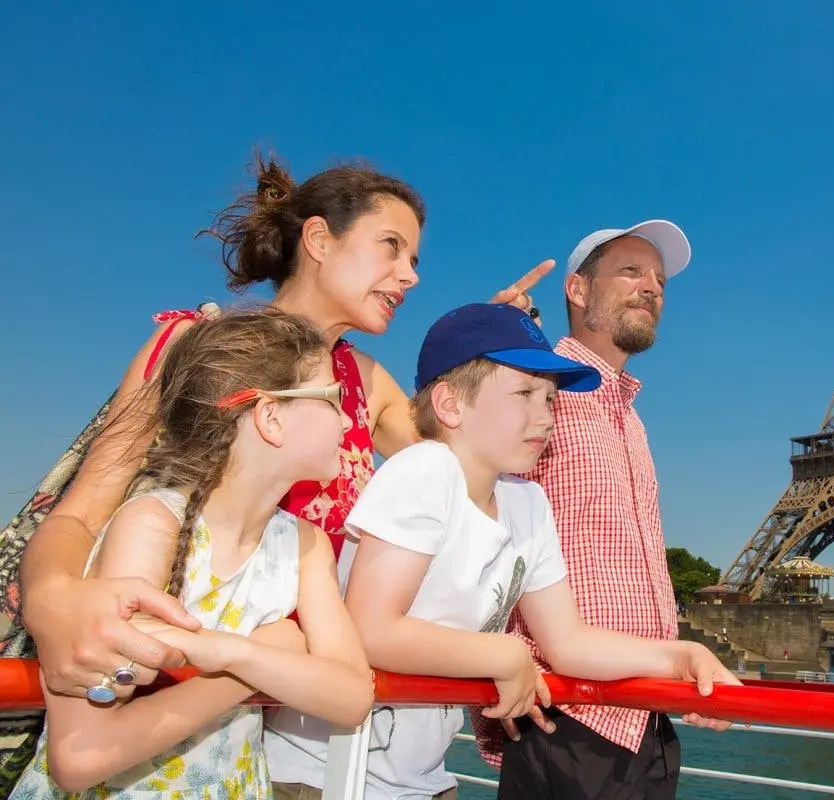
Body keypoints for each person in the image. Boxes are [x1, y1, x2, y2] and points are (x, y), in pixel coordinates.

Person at [2, 153, 549, 791]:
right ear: (319, 240)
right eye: (392, 248)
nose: (410, 276)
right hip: (158, 701)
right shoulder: (195, 348)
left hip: (281, 724)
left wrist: (487, 350)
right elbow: (82, 510)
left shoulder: (366, 384)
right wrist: (55, 602)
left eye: (416, 261)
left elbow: (460, 445)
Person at [267, 303, 737, 800]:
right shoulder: (425, 471)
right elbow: (370, 627)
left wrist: (682, 655)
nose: (545, 417)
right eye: (523, 394)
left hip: (417, 778)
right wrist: (503, 652)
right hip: (325, 771)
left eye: (551, 399)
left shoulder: (527, 502)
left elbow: (568, 642)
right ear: (450, 406)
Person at [10, 310, 374, 798]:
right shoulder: (150, 526)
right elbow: (81, 756)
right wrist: (259, 662)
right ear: (270, 417)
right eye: (332, 398)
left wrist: (230, 651)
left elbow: (353, 698)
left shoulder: (305, 545)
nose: (347, 418)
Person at [473, 220, 724, 799]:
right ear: (578, 290)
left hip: (649, 714)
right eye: (631, 271)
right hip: (568, 713)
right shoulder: (535, 386)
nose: (653, 287)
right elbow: (474, 508)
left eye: (659, 280)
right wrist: (491, 356)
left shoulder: (631, 417)